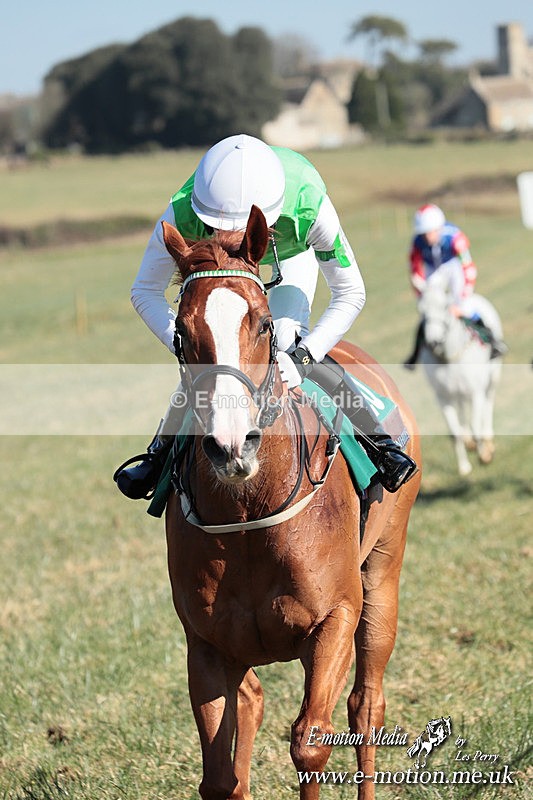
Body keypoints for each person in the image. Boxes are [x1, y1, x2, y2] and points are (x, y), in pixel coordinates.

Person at [114, 134, 417, 499]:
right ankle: (159, 453)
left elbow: (351, 291)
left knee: (286, 337)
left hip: (290, 257)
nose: (232, 235)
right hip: (218, 274)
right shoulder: (181, 209)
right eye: (220, 228)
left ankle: (380, 445)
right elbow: (143, 291)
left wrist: (305, 357)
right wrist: (188, 344)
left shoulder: (309, 206)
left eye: (241, 231)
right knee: (214, 357)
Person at [404, 203, 507, 368]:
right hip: (434, 269)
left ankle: (492, 340)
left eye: (430, 232)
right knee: (430, 309)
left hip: (454, 267)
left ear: (438, 228)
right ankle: (415, 353)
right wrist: (422, 296)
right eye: (424, 233)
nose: (426, 237)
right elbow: (415, 270)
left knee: (462, 306)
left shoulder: (455, 237)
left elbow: (468, 267)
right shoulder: (417, 242)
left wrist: (463, 296)